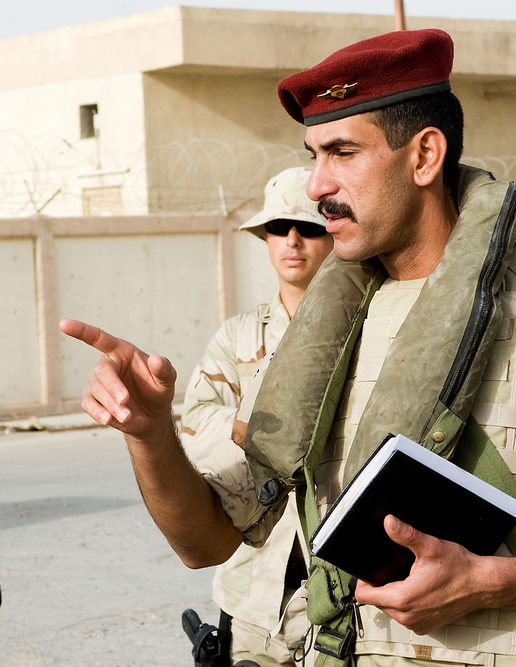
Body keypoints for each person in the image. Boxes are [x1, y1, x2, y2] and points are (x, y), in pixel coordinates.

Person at [60, 28, 516, 667]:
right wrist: (148, 433)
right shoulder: (323, 334)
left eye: (341, 152)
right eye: (312, 154)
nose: (315, 184)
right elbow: (205, 539)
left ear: (425, 156)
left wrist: (491, 580)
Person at [181, 166, 333, 666]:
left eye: (309, 227)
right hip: (252, 589)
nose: (292, 240)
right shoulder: (239, 337)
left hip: (337, 592)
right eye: (278, 228)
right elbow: (197, 421)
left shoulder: (366, 329)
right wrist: (255, 428)